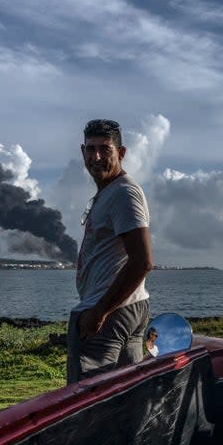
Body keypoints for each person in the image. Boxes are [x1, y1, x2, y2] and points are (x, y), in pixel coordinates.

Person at [66, 119, 153, 383]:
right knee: (126, 395)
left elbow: (143, 262)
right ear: (82, 152)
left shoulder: (124, 193)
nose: (97, 157)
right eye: (91, 149)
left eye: (105, 149)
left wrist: (99, 311)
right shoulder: (108, 193)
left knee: (85, 399)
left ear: (121, 153)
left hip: (107, 316)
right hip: (126, 309)